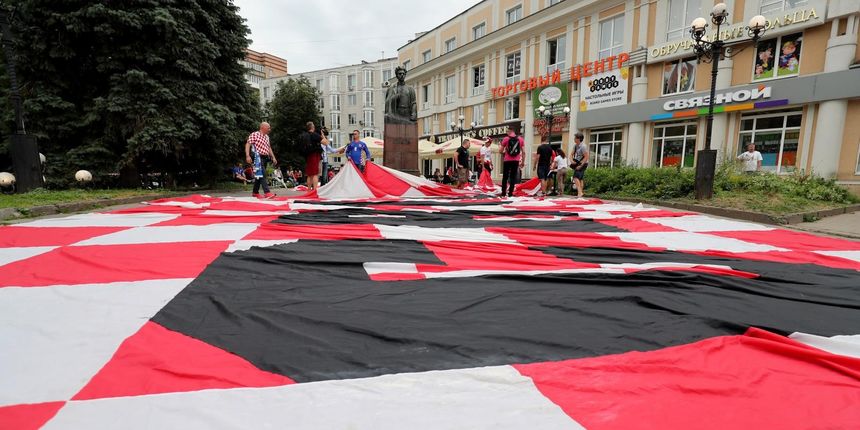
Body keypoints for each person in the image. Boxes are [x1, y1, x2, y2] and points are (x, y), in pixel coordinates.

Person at [244, 122, 277, 199]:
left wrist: (273, 157)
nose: (270, 129)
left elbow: (269, 148)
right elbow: (248, 144)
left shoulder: (267, 137)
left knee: (258, 176)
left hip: (265, 158)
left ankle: (255, 192)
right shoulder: (255, 134)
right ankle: (267, 192)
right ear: (263, 127)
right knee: (262, 173)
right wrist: (247, 155)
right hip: (257, 157)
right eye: (268, 128)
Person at [301, 122, 327, 191]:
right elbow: (325, 142)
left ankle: (309, 190)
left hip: (308, 155)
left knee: (309, 174)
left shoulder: (305, 135)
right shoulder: (314, 135)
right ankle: (315, 190)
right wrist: (322, 135)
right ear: (312, 127)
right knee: (315, 173)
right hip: (315, 155)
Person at [500, 125, 524, 197]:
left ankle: (503, 193)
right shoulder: (520, 139)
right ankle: (510, 193)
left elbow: (500, 150)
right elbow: (524, 151)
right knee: (513, 177)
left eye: (507, 131)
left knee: (505, 176)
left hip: (507, 160)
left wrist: (504, 153)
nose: (507, 132)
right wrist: (522, 161)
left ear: (510, 131)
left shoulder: (506, 139)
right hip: (516, 160)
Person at [570, 133, 589, 198]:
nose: (574, 139)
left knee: (575, 177)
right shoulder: (575, 146)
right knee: (580, 178)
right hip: (577, 163)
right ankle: (580, 193)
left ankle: (580, 192)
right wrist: (571, 160)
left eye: (575, 138)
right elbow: (571, 154)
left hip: (583, 163)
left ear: (578, 139)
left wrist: (581, 165)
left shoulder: (583, 146)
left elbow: (586, 157)